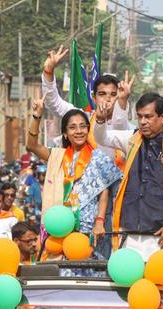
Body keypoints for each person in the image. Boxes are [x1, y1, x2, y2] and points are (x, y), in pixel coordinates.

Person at [93, 93, 163, 259]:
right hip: (128, 231)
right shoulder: (132, 138)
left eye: (148, 117)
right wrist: (99, 120)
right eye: (140, 116)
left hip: (160, 233)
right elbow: (102, 137)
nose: (142, 122)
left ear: (162, 117)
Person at [27, 98, 122, 258]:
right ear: (65, 133)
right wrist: (36, 116)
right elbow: (32, 146)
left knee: (90, 275)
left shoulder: (98, 157)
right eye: (72, 127)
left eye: (82, 126)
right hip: (61, 229)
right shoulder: (57, 155)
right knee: (62, 275)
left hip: (89, 229)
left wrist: (99, 221)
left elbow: (104, 191)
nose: (78, 131)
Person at [41, 45, 134, 163]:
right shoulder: (83, 118)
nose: (107, 99)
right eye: (102, 94)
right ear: (94, 98)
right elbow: (53, 102)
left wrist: (123, 100)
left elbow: (119, 123)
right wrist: (48, 72)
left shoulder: (129, 128)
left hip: (121, 180)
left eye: (113, 94)